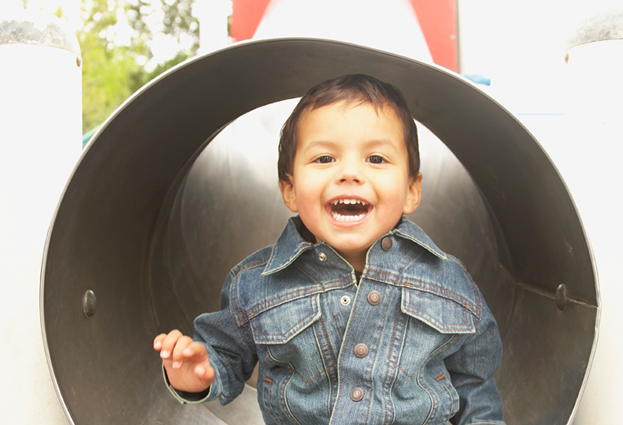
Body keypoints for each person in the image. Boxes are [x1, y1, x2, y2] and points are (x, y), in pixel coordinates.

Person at [152, 74, 505, 424]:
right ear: (289, 190)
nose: (349, 173)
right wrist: (197, 375)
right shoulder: (255, 285)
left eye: (376, 159)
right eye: (324, 159)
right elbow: (225, 356)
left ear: (412, 190)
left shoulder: (447, 281)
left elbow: (474, 386)